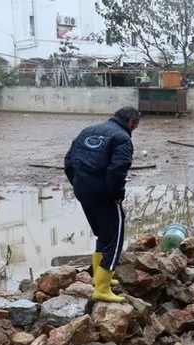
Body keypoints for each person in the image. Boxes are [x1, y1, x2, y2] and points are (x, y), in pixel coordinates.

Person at [64, 106, 141, 302]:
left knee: (102, 234)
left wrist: (79, 184)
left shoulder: (88, 130)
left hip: (84, 193)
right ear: (132, 123)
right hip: (105, 195)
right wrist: (117, 195)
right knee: (115, 239)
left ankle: (99, 277)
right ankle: (102, 288)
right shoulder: (122, 138)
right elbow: (117, 171)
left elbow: (68, 161)